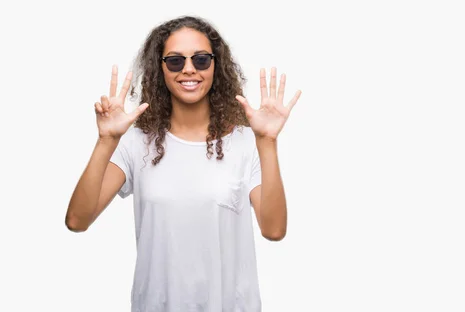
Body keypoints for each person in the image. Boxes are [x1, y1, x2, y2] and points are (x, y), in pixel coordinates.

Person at [64, 15, 301, 312]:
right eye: (175, 61)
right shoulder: (137, 143)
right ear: (160, 68)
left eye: (201, 59)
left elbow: (274, 229)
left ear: (216, 65)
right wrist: (106, 141)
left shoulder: (245, 144)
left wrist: (267, 142)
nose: (189, 69)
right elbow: (77, 220)